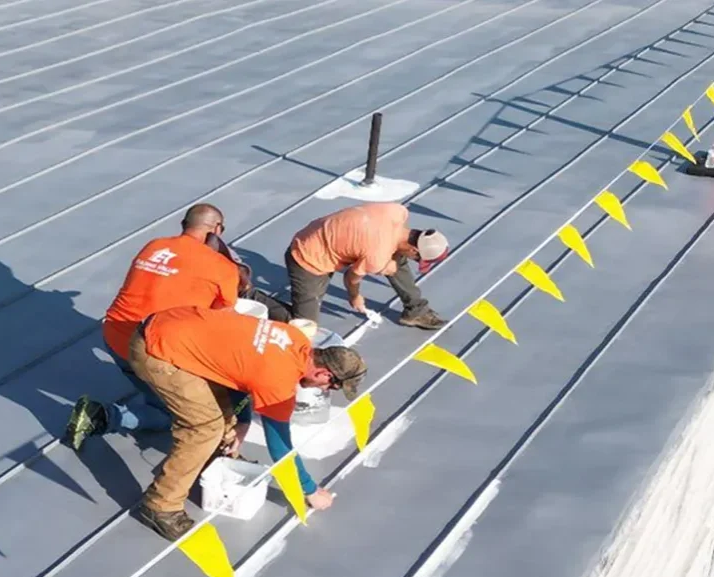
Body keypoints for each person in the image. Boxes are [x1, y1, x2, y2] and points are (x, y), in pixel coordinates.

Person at [126, 306, 367, 540]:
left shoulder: (294, 338)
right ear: (324, 374)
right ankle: (160, 506)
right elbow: (280, 449)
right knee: (204, 428)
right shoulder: (279, 382)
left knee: (218, 404)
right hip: (155, 349)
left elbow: (240, 371)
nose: (327, 391)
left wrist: (242, 421)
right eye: (332, 387)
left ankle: (215, 457)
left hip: (172, 324)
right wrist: (311, 490)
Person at [64, 203, 253, 448]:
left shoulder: (154, 246)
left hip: (114, 336)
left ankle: (151, 394)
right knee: (174, 415)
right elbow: (220, 324)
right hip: (153, 350)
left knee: (151, 384)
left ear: (184, 225)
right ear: (217, 229)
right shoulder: (223, 268)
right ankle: (104, 416)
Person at [285, 202, 450, 330]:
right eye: (417, 259)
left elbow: (384, 245)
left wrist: (387, 263)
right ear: (414, 249)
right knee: (305, 326)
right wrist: (355, 297)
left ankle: (416, 310)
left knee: (397, 257)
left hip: (321, 232)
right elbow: (350, 278)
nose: (414, 261)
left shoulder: (397, 211)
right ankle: (259, 300)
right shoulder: (377, 256)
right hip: (308, 256)